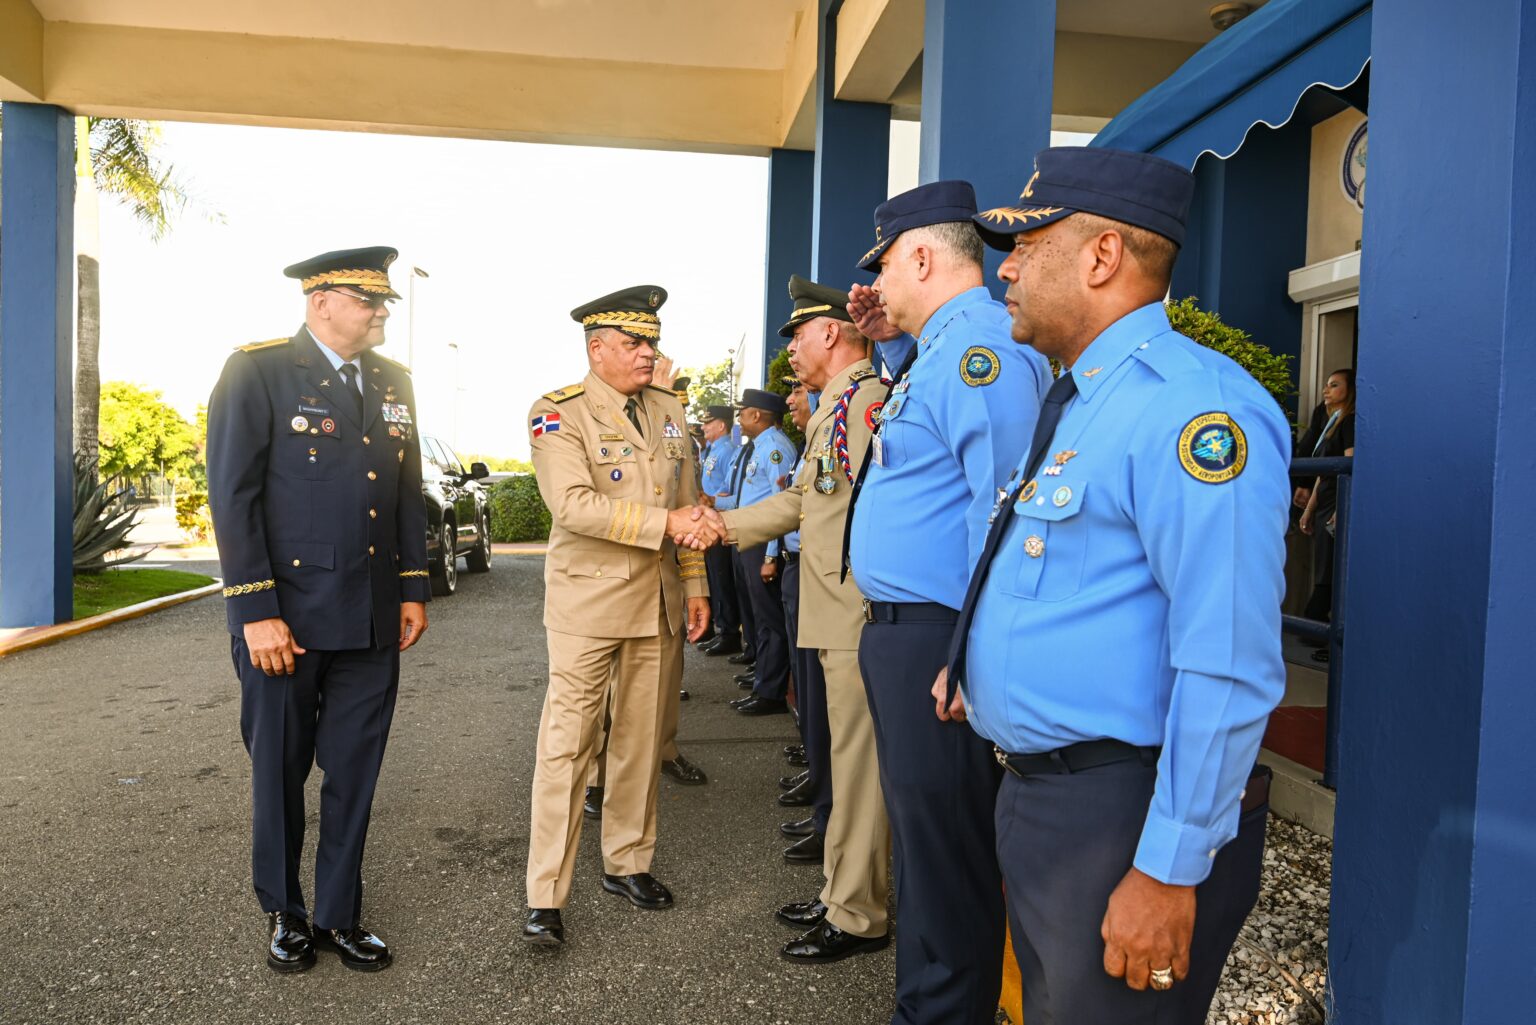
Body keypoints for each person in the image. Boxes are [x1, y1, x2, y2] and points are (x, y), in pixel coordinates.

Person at [943, 146, 1290, 1024]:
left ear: (1102, 257)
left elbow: (1229, 660)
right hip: (1047, 799)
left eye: (1025, 245)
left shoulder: (1193, 412)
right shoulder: (1085, 398)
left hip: (1121, 814)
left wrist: (1169, 866)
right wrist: (973, 669)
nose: (1005, 268)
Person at [842, 181, 1050, 1024]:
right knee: (927, 845)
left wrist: (970, 652)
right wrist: (888, 344)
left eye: (886, 266)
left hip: (937, 639)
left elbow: (999, 511)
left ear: (922, 256)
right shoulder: (939, 351)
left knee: (946, 854)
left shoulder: (981, 353)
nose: (877, 287)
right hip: (910, 636)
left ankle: (941, 1011)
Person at [206, 245, 429, 974]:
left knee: (354, 772)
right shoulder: (259, 370)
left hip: (369, 617)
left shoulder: (395, 382)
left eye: (384, 299)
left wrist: (413, 589)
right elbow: (233, 497)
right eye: (367, 298)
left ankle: (339, 913)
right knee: (279, 772)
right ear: (319, 300)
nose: (381, 310)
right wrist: (255, 609)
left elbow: (404, 496)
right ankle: (285, 910)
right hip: (287, 621)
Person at [695, 274, 893, 963]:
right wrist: (718, 525)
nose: (793, 353)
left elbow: (835, 513)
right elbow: (806, 503)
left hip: (853, 611)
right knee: (841, 760)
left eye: (800, 335)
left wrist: (715, 526)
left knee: (859, 768)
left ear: (832, 332)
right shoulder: (839, 404)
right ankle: (841, 891)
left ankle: (859, 911)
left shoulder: (863, 401)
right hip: (832, 609)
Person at [521, 285, 715, 947]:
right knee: (568, 745)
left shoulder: (666, 409)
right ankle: (545, 894)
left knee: (638, 745)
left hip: (655, 601)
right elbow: (573, 505)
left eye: (651, 341)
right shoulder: (558, 413)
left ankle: (627, 860)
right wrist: (667, 523)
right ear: (596, 348)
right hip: (587, 605)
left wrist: (695, 586)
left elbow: (690, 498)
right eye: (634, 342)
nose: (648, 353)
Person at [725, 389, 799, 716]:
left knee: (770, 620)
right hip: (750, 540)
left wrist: (770, 556)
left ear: (757, 415)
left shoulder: (775, 450)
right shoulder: (760, 447)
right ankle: (764, 680)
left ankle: (771, 692)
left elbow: (781, 507)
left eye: (743, 413)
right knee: (761, 617)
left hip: (763, 544)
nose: (739, 420)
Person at [1299, 368, 1356, 627]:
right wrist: (1309, 510)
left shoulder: (1350, 422)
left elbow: (1350, 466)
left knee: (1333, 566)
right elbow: (1323, 471)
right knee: (1323, 563)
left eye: (1334, 385)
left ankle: (1316, 624)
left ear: (1350, 390)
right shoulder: (1330, 424)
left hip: (1336, 502)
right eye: (1326, 385)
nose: (1326, 390)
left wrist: (1342, 506)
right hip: (1324, 502)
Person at [697, 404, 745, 656]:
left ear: (721, 425)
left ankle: (729, 632)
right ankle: (722, 629)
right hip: (710, 519)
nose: (704, 427)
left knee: (722, 577)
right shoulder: (713, 449)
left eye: (708, 422)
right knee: (715, 578)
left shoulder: (728, 451)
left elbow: (729, 489)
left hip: (721, 521)